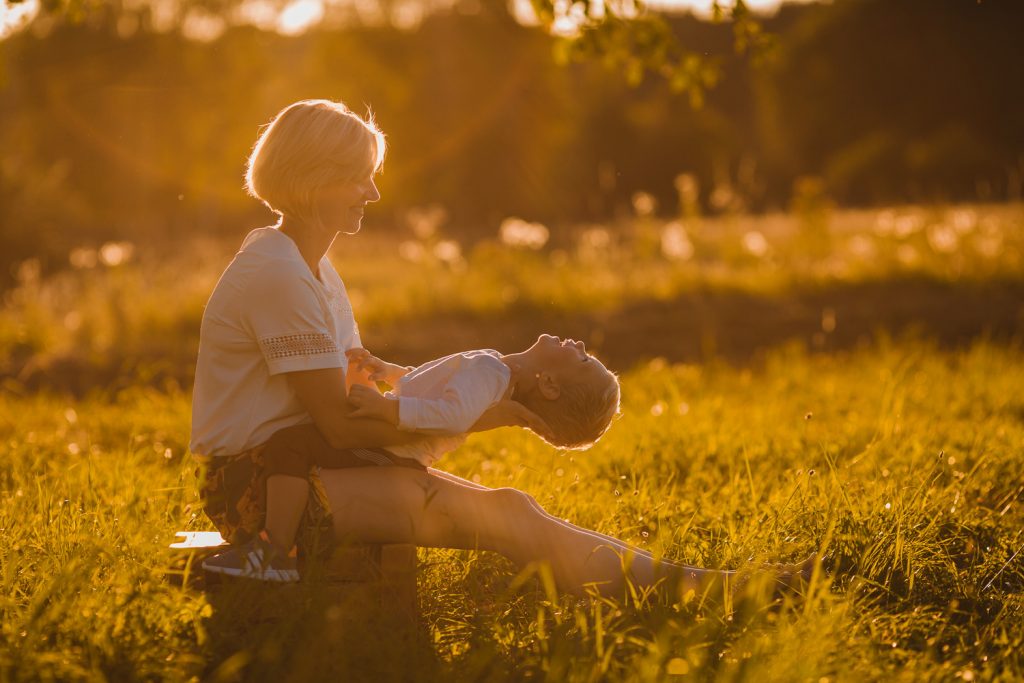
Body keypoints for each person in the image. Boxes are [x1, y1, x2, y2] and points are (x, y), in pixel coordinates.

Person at [190, 98, 810, 600]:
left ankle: (706, 588)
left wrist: (459, 403)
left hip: (308, 466)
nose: (372, 195)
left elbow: (357, 398)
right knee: (507, 518)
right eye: (359, 179)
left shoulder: (316, 272)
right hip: (259, 486)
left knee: (512, 507)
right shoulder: (278, 273)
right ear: (313, 179)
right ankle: (715, 592)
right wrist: (495, 414)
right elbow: (337, 420)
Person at [201, 335, 621, 581]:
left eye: (582, 360)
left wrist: (388, 409)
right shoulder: (494, 373)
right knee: (296, 445)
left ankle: (274, 553)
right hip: (393, 453)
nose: (581, 344)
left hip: (385, 451)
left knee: (288, 447)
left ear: (548, 385)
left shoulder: (493, 376)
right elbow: (433, 387)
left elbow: (450, 415)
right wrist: (390, 372)